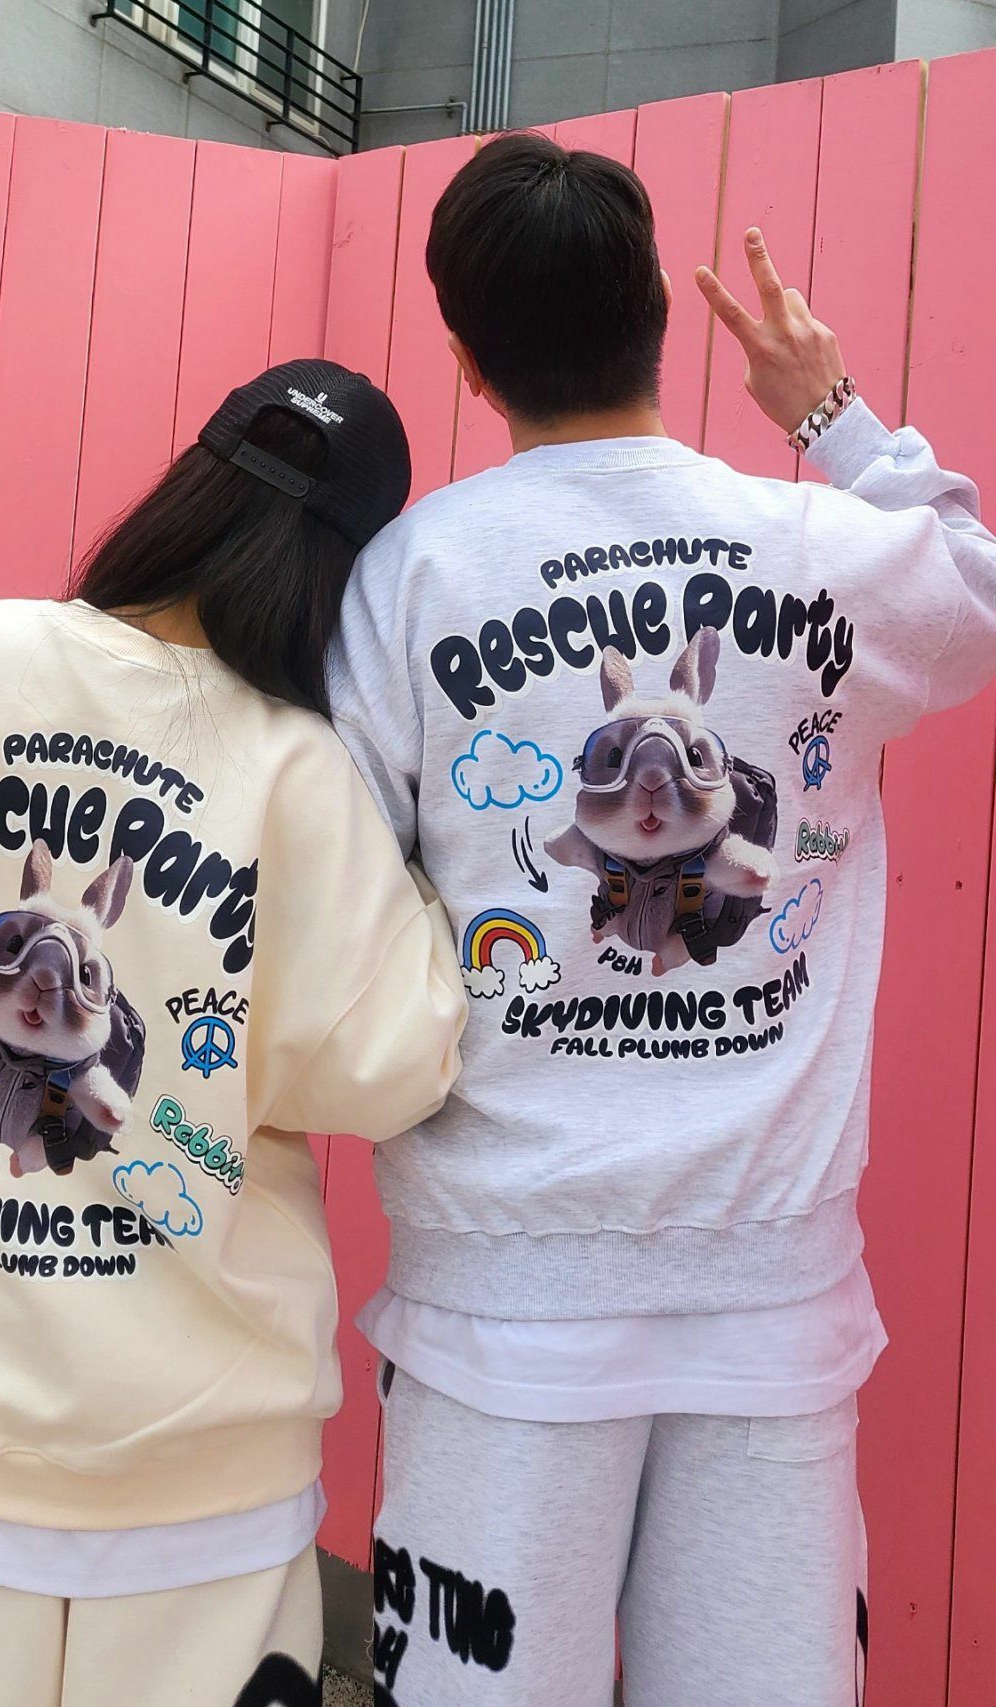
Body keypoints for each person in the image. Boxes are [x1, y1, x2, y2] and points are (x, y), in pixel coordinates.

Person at [329, 133, 996, 1707]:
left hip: (498, 1297)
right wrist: (831, 416)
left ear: (466, 358)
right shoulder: (821, 547)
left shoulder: (412, 575)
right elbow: (977, 590)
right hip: (772, 1299)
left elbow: (344, 896)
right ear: (659, 317)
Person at [0, 358, 466, 1707]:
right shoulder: (301, 777)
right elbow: (395, 1066)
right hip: (208, 1494)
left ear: (190, 489)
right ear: (346, 580)